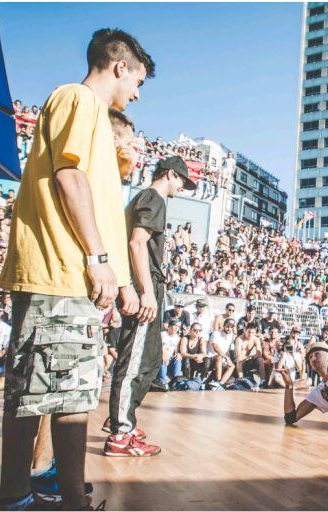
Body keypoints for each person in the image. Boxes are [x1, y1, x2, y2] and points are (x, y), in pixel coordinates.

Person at [0, 28, 154, 511]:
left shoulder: (94, 120)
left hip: (72, 277)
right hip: (61, 271)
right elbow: (69, 175)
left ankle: (47, 497)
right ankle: (31, 499)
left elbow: (96, 196)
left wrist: (120, 279)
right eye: (138, 81)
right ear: (120, 65)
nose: (137, 94)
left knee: (61, 396)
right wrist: (98, 258)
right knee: (51, 399)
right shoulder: (79, 99)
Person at [106, 156, 194, 457]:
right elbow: (136, 243)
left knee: (149, 359)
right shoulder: (154, 198)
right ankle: (120, 432)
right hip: (146, 284)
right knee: (135, 361)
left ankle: (124, 416)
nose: (183, 186)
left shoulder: (147, 199)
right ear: (169, 174)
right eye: (182, 180)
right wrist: (145, 291)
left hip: (148, 283)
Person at [206, 318, 236, 390]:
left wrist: (228, 359)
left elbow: (228, 349)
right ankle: (217, 380)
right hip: (210, 357)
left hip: (222, 357)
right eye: (227, 326)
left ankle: (220, 384)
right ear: (224, 326)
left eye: (231, 327)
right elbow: (216, 347)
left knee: (232, 366)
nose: (229, 328)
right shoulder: (216, 333)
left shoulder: (231, 335)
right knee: (219, 357)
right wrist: (226, 357)